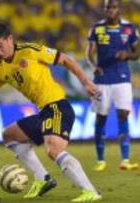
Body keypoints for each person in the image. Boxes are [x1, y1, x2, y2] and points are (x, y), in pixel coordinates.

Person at [0, 22, 102, 202]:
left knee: (53, 150)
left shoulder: (30, 51)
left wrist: (86, 83)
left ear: (10, 39)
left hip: (58, 106)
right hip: (44, 112)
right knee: (9, 134)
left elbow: (66, 59)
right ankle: (43, 178)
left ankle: (90, 191)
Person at [86, 0, 139, 172]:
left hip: (122, 78)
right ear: (104, 9)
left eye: (113, 7)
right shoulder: (96, 28)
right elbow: (89, 53)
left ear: (119, 9)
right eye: (107, 7)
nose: (110, 10)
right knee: (101, 118)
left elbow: (137, 54)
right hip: (102, 80)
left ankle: (125, 159)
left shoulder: (130, 28)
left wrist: (127, 54)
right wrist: (94, 67)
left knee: (123, 115)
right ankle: (100, 160)